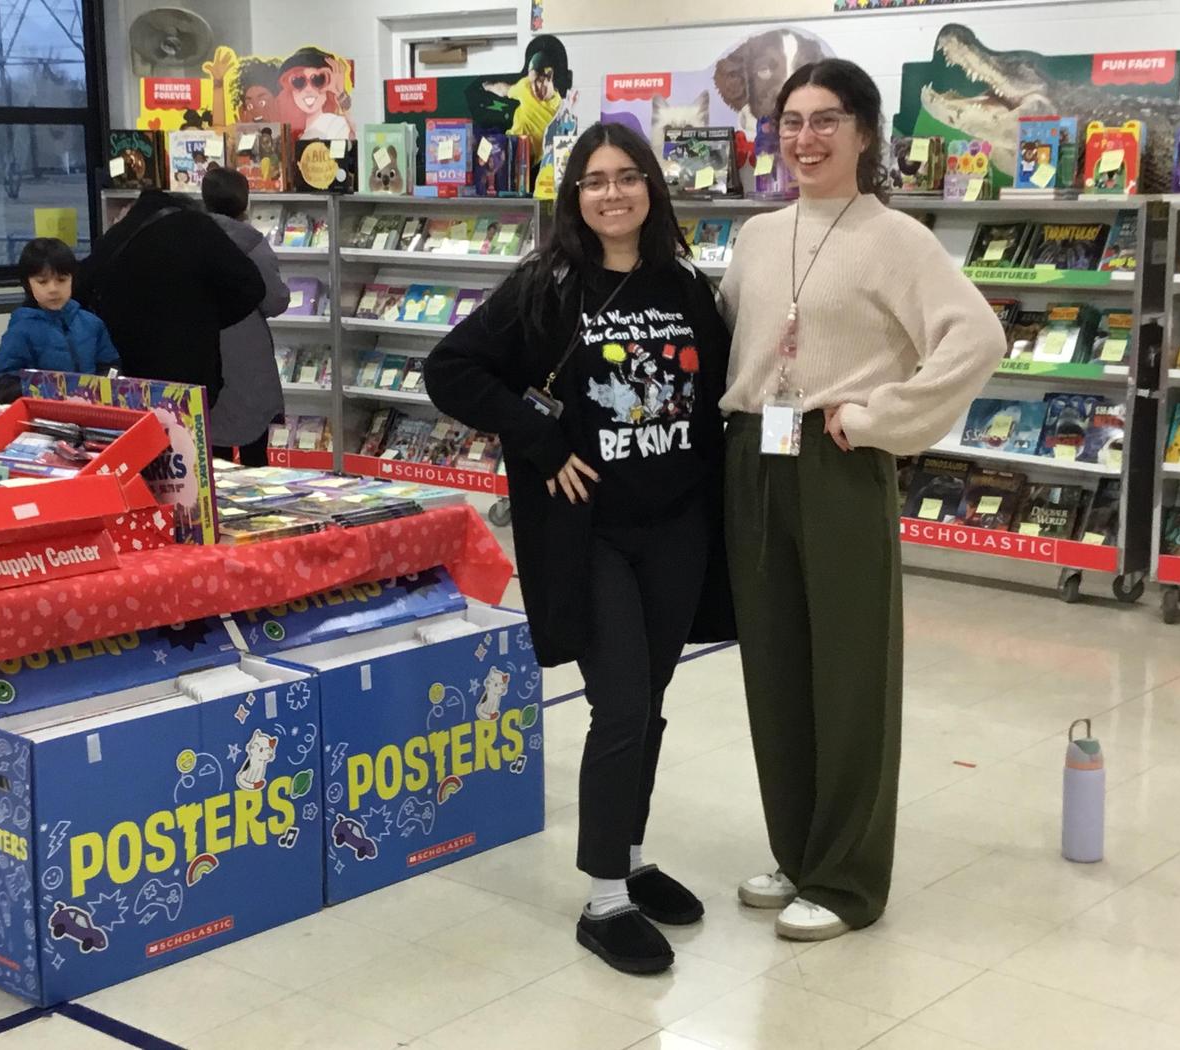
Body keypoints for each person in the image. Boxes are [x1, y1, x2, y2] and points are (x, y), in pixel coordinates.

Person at [426, 123, 734, 976]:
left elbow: (715, 395)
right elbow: (452, 369)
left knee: (655, 696)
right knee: (622, 703)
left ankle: (629, 857)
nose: (612, 194)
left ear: (652, 190)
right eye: (594, 181)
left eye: (628, 178)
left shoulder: (687, 285)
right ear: (574, 197)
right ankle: (604, 898)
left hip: (675, 528)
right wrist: (540, 442)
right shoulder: (547, 285)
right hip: (588, 533)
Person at [718, 59, 1005, 942]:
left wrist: (883, 415)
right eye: (791, 120)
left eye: (826, 120)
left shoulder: (898, 239)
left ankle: (846, 879)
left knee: (850, 675)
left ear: (866, 131)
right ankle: (799, 850)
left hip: (838, 465)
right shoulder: (758, 236)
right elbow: (737, 332)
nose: (805, 138)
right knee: (773, 668)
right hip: (753, 461)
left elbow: (977, 337)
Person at [75, 188, 266, 405]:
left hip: (127, 374)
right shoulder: (198, 227)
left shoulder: (116, 236)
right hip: (189, 370)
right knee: (188, 434)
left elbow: (79, 290)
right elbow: (252, 287)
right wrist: (209, 318)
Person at [200, 167, 290, 466]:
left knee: (213, 454)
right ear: (245, 202)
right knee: (254, 448)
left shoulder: (189, 239)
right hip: (247, 351)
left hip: (204, 349)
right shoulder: (253, 245)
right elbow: (275, 300)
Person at [0, 237, 120, 403]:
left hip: (91, 414)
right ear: (28, 284)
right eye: (42, 282)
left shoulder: (91, 324)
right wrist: (46, 393)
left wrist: (102, 389)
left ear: (73, 279)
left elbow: (110, 365)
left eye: (62, 280)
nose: (53, 289)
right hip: (43, 420)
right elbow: (2, 382)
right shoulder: (21, 329)